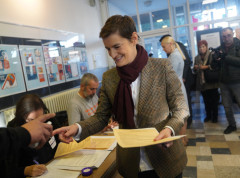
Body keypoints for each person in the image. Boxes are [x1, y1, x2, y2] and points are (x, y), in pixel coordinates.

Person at [53, 15, 189, 178]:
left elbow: (180, 107)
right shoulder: (110, 78)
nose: (112, 54)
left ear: (133, 38)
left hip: (165, 159)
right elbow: (101, 117)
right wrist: (77, 127)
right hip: (132, 162)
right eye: (108, 49)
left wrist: (169, 129)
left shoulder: (161, 67)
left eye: (116, 46)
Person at [5, 94, 60, 178]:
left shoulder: (48, 119)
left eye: (41, 118)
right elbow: (9, 168)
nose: (38, 125)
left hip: (54, 165)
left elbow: (58, 138)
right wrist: (25, 170)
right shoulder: (13, 130)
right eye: (32, 120)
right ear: (22, 116)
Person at [0, 113, 55, 178]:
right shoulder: (13, 142)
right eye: (32, 120)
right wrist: (24, 171)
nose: (39, 126)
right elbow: (10, 170)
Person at [160, 34, 194, 128]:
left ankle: (182, 140)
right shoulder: (175, 54)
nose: (163, 49)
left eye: (164, 46)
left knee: (179, 116)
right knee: (181, 114)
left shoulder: (174, 56)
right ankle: (183, 139)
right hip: (178, 85)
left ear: (170, 44)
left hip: (176, 87)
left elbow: (171, 75)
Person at [212, 27, 240, 134]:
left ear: (232, 34)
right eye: (224, 36)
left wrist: (225, 57)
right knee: (226, 105)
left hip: (237, 80)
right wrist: (215, 60)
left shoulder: (238, 45)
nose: (226, 38)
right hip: (223, 81)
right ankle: (232, 125)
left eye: (228, 35)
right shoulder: (220, 48)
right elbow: (215, 66)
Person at [193, 40, 219, 123]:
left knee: (214, 101)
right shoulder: (196, 58)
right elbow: (195, 71)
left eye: (203, 46)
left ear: (207, 47)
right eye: (200, 47)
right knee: (206, 101)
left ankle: (215, 117)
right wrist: (195, 68)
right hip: (202, 83)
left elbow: (215, 67)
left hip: (212, 82)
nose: (201, 49)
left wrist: (205, 67)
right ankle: (208, 116)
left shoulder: (211, 55)